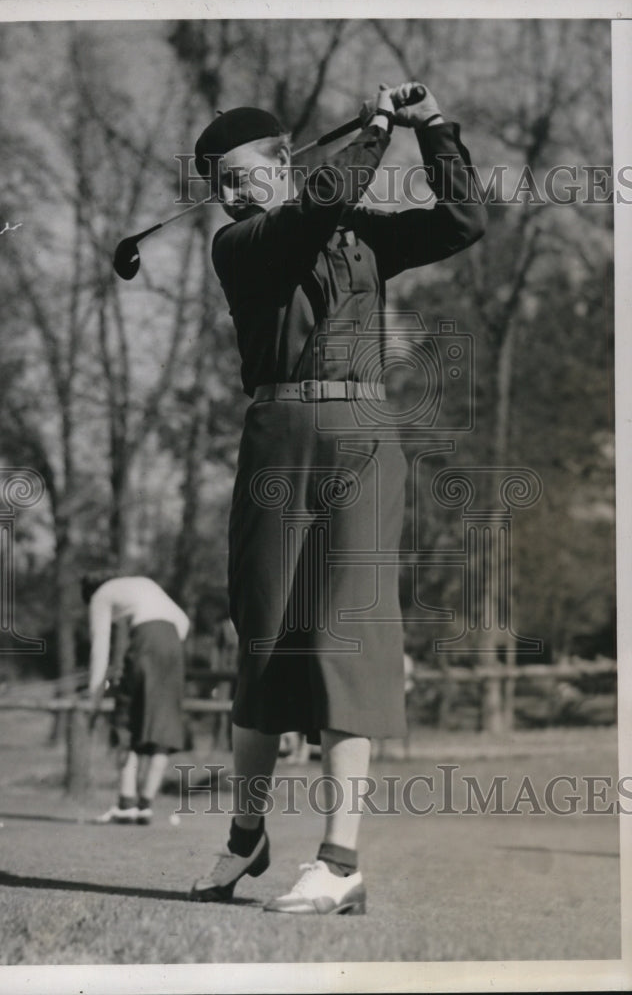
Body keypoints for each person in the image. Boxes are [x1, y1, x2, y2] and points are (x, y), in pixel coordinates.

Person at [189, 81, 486, 912]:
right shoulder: (242, 242)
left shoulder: (358, 234)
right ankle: (245, 840)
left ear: (282, 162)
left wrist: (429, 129)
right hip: (277, 435)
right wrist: (377, 130)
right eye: (219, 183)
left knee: (343, 641)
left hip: (363, 435)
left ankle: (340, 861)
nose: (231, 192)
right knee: (264, 640)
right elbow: (315, 209)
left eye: (243, 174)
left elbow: (464, 221)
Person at [82, 573, 190, 824]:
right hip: (173, 645)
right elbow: (183, 621)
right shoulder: (143, 584)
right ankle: (145, 805)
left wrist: (95, 695)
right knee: (163, 725)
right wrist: (166, 648)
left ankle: (126, 803)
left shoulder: (100, 595)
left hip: (146, 642)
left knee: (126, 720)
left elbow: (100, 645)